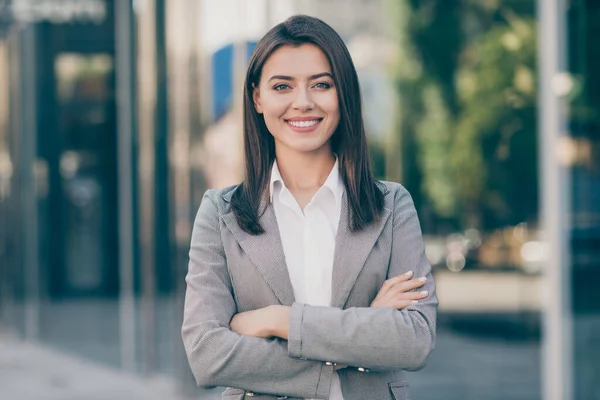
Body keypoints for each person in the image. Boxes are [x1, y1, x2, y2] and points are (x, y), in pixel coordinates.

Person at [182, 15, 437, 400]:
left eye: (321, 84)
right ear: (257, 98)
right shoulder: (220, 213)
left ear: (343, 94)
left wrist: (278, 320)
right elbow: (207, 354)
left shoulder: (391, 206)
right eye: (282, 86)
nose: (303, 102)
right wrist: (363, 331)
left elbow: (414, 339)